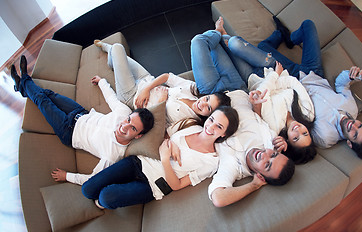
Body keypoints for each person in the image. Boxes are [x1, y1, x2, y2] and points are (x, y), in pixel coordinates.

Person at [227, 18, 362, 159]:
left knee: (263, 47)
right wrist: (350, 76)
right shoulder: (352, 108)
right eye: (360, 125)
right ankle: (290, 40)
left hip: (292, 78)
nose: (353, 126)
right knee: (308, 25)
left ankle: (279, 34)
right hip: (314, 73)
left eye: (355, 134)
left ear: (349, 143)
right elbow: (341, 85)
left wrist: (283, 142)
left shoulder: (325, 137)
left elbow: (297, 135)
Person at [10, 55, 154, 185]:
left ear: (138, 135)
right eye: (129, 120)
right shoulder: (124, 113)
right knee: (49, 94)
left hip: (69, 131)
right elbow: (112, 99)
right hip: (80, 113)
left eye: (133, 128)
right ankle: (22, 86)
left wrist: (67, 176)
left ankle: (23, 80)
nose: (125, 126)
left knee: (42, 100)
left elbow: (93, 178)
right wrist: (102, 82)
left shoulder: (113, 156)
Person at [191, 17, 316, 164]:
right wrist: (275, 76)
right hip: (271, 70)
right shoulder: (308, 113)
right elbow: (293, 82)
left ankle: (219, 33)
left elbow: (261, 97)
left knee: (217, 47)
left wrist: (273, 83)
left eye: (296, 137)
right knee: (234, 43)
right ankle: (221, 33)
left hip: (250, 82)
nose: (298, 129)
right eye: (304, 133)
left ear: (288, 141)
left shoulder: (273, 127)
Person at [81, 106, 239, 209]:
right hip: (138, 163)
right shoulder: (192, 126)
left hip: (152, 186)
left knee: (105, 197)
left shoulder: (211, 161)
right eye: (211, 119)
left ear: (223, 134)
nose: (210, 126)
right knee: (87, 190)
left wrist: (165, 159)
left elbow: (176, 185)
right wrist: (171, 144)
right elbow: (164, 136)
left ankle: (104, 200)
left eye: (218, 126)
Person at [94, 41, 231, 135]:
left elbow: (160, 129)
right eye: (207, 99)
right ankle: (112, 61)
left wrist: (161, 102)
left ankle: (109, 50)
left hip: (131, 96)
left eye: (208, 108)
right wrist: (147, 89)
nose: (202, 103)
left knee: (117, 48)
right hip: (146, 80)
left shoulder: (190, 122)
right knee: (119, 55)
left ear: (210, 116)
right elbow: (167, 77)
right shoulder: (193, 90)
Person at [208, 90, 295, 207]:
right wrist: (256, 105)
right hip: (240, 91)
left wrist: (254, 185)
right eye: (273, 155)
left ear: (261, 176)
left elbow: (218, 198)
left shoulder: (234, 165)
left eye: (267, 165)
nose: (265, 155)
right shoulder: (270, 142)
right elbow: (257, 120)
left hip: (212, 96)